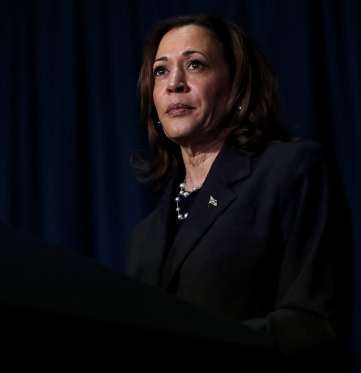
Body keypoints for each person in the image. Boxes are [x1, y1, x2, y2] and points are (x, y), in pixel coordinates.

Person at [126, 13, 355, 371]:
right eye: (161, 71)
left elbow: (314, 324)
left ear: (236, 86)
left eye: (195, 65)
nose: (175, 83)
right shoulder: (144, 237)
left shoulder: (290, 171)